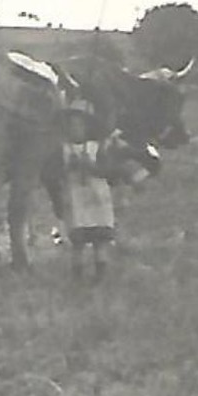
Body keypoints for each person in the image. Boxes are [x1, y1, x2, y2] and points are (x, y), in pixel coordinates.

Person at [59, 98, 117, 283]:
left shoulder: (98, 148)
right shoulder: (63, 149)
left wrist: (91, 166)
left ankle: (100, 276)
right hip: (76, 199)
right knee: (78, 241)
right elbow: (56, 173)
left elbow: (108, 171)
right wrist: (68, 168)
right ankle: (78, 276)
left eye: (79, 125)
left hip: (96, 198)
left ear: (88, 127)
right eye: (71, 125)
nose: (75, 129)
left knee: (99, 240)